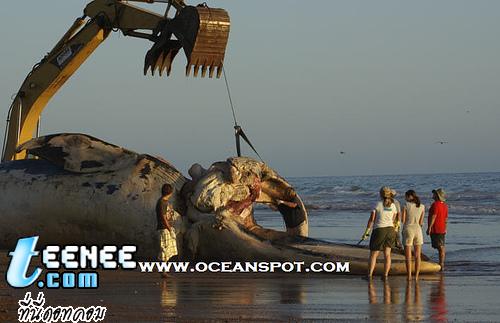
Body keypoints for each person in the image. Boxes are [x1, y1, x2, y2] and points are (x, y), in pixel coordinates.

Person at [361, 186, 398, 278]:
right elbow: (394, 219)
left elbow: (371, 219)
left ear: (381, 194)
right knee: (387, 254)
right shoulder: (393, 205)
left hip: (379, 230)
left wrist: (366, 232)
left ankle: (369, 275)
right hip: (390, 230)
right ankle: (385, 275)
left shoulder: (378, 204)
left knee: (374, 254)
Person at [402, 190, 425, 280]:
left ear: (409, 196)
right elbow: (421, 222)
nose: (405, 198)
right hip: (418, 230)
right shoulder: (422, 206)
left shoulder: (405, 205)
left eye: (406, 196)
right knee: (417, 256)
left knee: (408, 256)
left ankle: (409, 276)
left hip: (408, 229)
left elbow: (403, 220)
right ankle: (416, 276)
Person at [426, 188, 448, 271]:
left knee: (440, 247)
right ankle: (441, 263)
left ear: (437, 196)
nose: (433, 195)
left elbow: (433, 216)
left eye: (434, 194)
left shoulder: (435, 204)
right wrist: (445, 228)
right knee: (440, 246)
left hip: (436, 228)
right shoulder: (445, 205)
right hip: (442, 228)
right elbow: (446, 219)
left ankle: (441, 263)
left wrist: (429, 227)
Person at [156, 183, 178, 263]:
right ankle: (163, 272)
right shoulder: (162, 203)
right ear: (170, 192)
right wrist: (169, 229)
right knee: (165, 250)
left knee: (167, 250)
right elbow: (163, 217)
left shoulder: (164, 202)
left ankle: (158, 268)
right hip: (164, 228)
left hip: (166, 228)